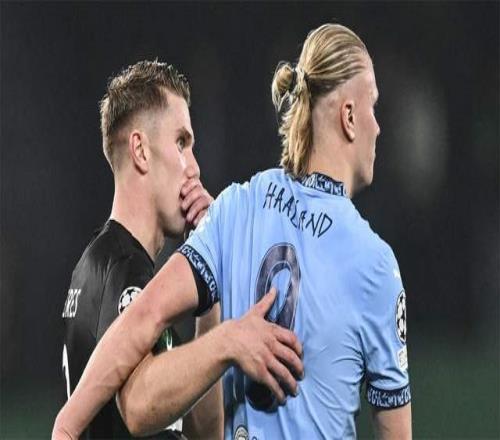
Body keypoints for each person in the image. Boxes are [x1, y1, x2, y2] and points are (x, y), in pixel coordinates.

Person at [54, 23, 411, 440]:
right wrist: (227, 340)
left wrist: (66, 425)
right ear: (348, 116)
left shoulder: (236, 208)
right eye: (373, 106)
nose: (378, 126)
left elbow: (145, 326)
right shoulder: (375, 265)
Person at [57, 60, 303, 439]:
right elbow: (138, 407)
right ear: (140, 150)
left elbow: (205, 432)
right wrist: (229, 339)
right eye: (181, 143)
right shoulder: (123, 269)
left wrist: (208, 287)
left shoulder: (111, 266)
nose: (194, 168)